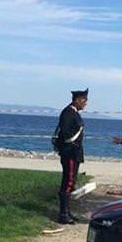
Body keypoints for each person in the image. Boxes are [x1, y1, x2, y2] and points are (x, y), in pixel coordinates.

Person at [54, 88, 87, 224]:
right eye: (84, 101)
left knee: (71, 181)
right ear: (77, 100)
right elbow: (66, 134)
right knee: (68, 182)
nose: (85, 104)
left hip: (74, 152)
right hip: (70, 153)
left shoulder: (73, 113)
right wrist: (72, 146)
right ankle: (63, 214)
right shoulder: (68, 113)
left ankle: (67, 212)